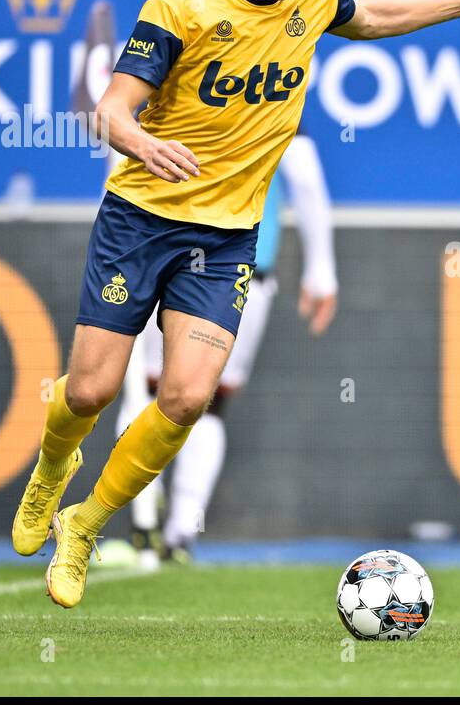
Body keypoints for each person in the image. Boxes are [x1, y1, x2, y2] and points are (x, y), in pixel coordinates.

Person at [10, 0, 460, 608]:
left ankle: (85, 526)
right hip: (141, 218)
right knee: (90, 390)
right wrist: (141, 142)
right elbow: (111, 107)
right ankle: (55, 464)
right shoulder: (180, 6)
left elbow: (368, 16)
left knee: (185, 400)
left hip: (225, 239)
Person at [115, 130, 337, 568]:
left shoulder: (180, 94)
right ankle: (179, 532)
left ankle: (144, 516)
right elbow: (306, 177)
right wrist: (321, 269)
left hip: (168, 262)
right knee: (208, 405)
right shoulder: (271, 101)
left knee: (149, 390)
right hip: (242, 275)